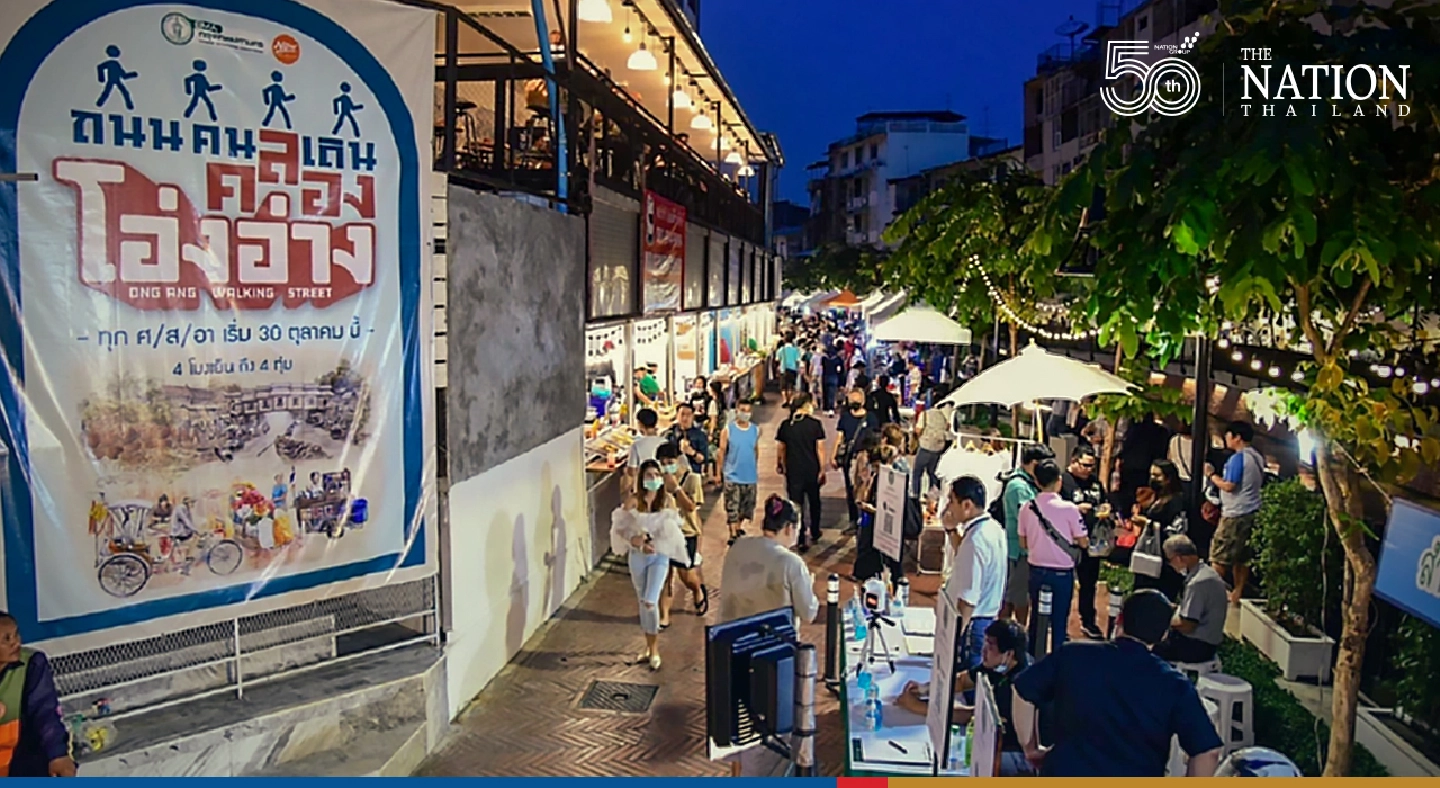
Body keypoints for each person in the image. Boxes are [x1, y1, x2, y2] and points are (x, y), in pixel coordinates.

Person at [1012, 590, 1225, 777]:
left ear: (1119, 619)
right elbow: (1207, 751)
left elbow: (1022, 691)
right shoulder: (1175, 684)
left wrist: (1030, 748)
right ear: (1163, 634)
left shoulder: (1073, 654)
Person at [895, 619, 1034, 776]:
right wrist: (924, 689)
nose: (984, 650)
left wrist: (918, 707)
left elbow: (973, 716)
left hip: (1018, 755)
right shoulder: (998, 664)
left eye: (990, 646)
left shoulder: (1018, 685)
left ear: (1009, 654)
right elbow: (962, 681)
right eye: (985, 643)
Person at [610, 460, 689, 670]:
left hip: (659, 557)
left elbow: (675, 530)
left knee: (650, 601)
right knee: (642, 601)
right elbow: (620, 528)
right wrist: (634, 540)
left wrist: (656, 539)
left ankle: (655, 651)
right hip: (638, 558)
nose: (652, 479)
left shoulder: (667, 502)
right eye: (648, 475)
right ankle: (649, 645)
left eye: (656, 475)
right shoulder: (634, 502)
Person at [1017, 459, 1089, 653]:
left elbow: (1022, 543)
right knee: (1059, 621)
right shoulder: (1070, 509)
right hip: (1062, 573)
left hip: (1036, 571)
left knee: (1036, 618)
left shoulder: (1027, 508)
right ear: (1059, 481)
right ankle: (1056, 663)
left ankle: (1032, 659)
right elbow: (1083, 542)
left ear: (1037, 482)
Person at [941, 476, 1008, 680]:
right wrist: (951, 530)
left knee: (967, 686)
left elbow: (968, 599)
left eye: (951, 500)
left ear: (967, 505)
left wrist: (951, 639)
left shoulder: (977, 540)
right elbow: (965, 554)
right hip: (984, 618)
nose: (948, 506)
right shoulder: (992, 528)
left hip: (973, 623)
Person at [721, 495, 820, 626]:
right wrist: (809, 586)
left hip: (731, 636)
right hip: (771, 640)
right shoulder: (791, 563)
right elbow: (808, 613)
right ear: (789, 528)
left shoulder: (737, 547)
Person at [0, 613, 75, 777]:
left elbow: (44, 711)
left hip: (17, 761)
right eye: (6, 639)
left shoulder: (32, 663)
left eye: (16, 634)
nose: (16, 642)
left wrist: (57, 754)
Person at [1206, 421, 1264, 605]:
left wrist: (1211, 476)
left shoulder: (1238, 459)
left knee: (1219, 556)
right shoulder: (1257, 457)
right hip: (1251, 511)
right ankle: (1236, 594)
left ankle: (1211, 597)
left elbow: (1229, 485)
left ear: (1237, 437)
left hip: (1234, 513)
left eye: (1228, 435)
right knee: (1242, 558)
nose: (1226, 439)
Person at [655, 443, 709, 622]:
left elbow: (691, 506)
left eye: (669, 461)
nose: (665, 466)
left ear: (678, 460)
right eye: (662, 462)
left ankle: (697, 589)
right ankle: (664, 615)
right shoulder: (657, 479)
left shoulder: (692, 478)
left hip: (686, 533)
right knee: (665, 575)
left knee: (685, 575)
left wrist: (676, 489)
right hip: (665, 532)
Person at [1001, 444, 1054, 626]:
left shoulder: (1029, 484)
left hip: (1025, 550)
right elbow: (1030, 518)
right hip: (1018, 551)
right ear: (1033, 463)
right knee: (1014, 597)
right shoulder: (1019, 486)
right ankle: (1012, 637)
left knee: (1017, 595)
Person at [1154, 535, 1227, 664]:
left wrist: (1163, 619)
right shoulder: (1205, 573)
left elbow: (1187, 625)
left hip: (1196, 645)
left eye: (1170, 561)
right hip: (1207, 641)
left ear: (1179, 558)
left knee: (1148, 648)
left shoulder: (1197, 583)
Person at [1062, 446, 1111, 639]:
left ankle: (1089, 621)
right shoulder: (1063, 482)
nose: (1089, 469)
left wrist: (1105, 508)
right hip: (1068, 541)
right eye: (1085, 465)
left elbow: (1104, 501)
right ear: (1074, 461)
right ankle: (1060, 623)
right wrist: (1074, 509)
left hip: (1091, 541)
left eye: (1092, 466)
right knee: (1065, 583)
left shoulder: (1095, 483)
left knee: (1089, 583)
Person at [1130, 460, 1190, 602]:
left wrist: (1149, 523)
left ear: (1168, 478)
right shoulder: (1156, 498)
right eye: (1151, 475)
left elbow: (1177, 532)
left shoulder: (1177, 502)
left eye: (1157, 476)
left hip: (1166, 562)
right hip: (1147, 557)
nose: (1153, 479)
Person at [776, 394, 827, 551]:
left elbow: (781, 449)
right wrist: (822, 469)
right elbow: (820, 449)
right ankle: (815, 530)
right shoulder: (815, 424)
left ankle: (799, 534)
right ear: (805, 405)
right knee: (814, 501)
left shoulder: (786, 425)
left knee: (796, 503)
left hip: (793, 470)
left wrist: (780, 465)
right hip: (811, 469)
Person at [832, 388, 879, 529]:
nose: (854, 402)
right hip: (849, 458)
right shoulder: (845, 417)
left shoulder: (871, 418)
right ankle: (854, 519)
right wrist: (833, 455)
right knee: (850, 489)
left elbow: (876, 438)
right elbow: (840, 437)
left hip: (865, 458)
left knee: (864, 489)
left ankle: (864, 520)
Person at [718, 400, 760, 545]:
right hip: (732, 476)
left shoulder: (755, 430)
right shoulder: (728, 430)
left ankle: (738, 527)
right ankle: (733, 533)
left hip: (749, 476)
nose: (745, 413)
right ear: (737, 411)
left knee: (746, 507)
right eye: (742, 410)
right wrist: (719, 473)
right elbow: (722, 452)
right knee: (732, 506)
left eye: (748, 410)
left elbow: (755, 449)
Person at [1116, 413, 1171, 522]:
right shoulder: (1160, 432)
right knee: (1146, 495)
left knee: (1129, 494)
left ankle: (1128, 518)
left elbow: (1125, 447)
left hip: (1130, 466)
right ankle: (1141, 517)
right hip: (1148, 466)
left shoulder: (1132, 430)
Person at [912, 398, 955, 499]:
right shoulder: (943, 416)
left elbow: (918, 430)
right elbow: (947, 428)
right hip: (938, 449)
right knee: (933, 473)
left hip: (925, 447)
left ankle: (915, 495)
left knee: (917, 473)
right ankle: (933, 497)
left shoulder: (925, 414)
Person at [626, 408, 667, 490]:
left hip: (643, 486)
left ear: (640, 424)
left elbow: (632, 471)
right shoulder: (665, 442)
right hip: (662, 485)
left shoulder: (636, 445)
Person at [665, 402, 710, 476]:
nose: (685, 418)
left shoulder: (700, 435)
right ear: (676, 416)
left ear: (693, 417)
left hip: (693, 474)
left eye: (688, 415)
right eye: (682, 414)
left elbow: (703, 459)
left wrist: (693, 453)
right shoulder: (670, 434)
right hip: (674, 474)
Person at [777, 337, 802, 406]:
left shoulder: (781, 350)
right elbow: (797, 361)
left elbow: (778, 360)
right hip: (792, 369)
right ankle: (790, 400)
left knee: (783, 386)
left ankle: (785, 400)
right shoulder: (796, 350)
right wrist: (798, 369)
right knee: (791, 385)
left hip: (783, 369)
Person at [820, 345, 844, 415]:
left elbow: (822, 367)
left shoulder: (824, 359)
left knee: (825, 392)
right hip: (834, 377)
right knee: (832, 393)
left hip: (825, 377)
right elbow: (840, 371)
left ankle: (826, 407)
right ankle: (831, 408)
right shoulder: (838, 360)